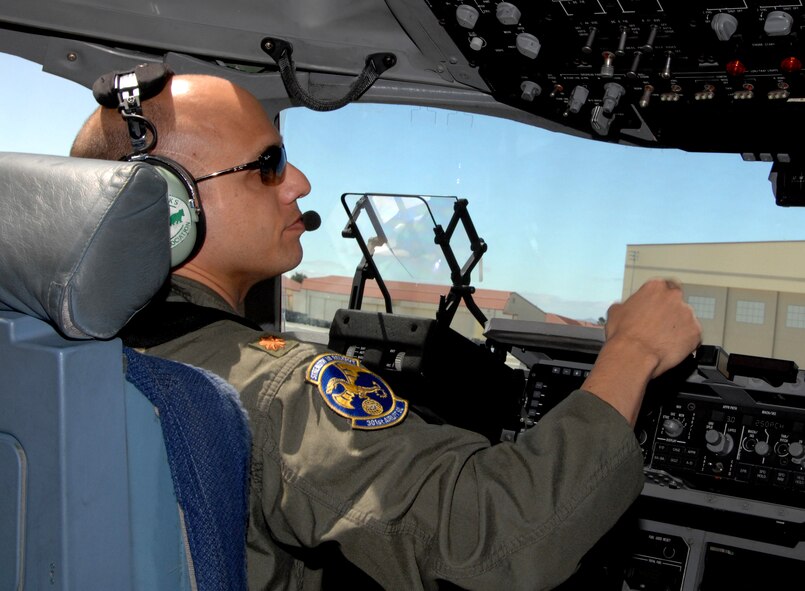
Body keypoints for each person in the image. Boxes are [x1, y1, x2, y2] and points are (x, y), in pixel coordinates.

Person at [71, 73, 702, 590]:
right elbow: (502, 535)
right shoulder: (274, 389)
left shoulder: (53, 342)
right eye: (269, 164)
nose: (299, 183)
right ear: (167, 205)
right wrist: (634, 350)